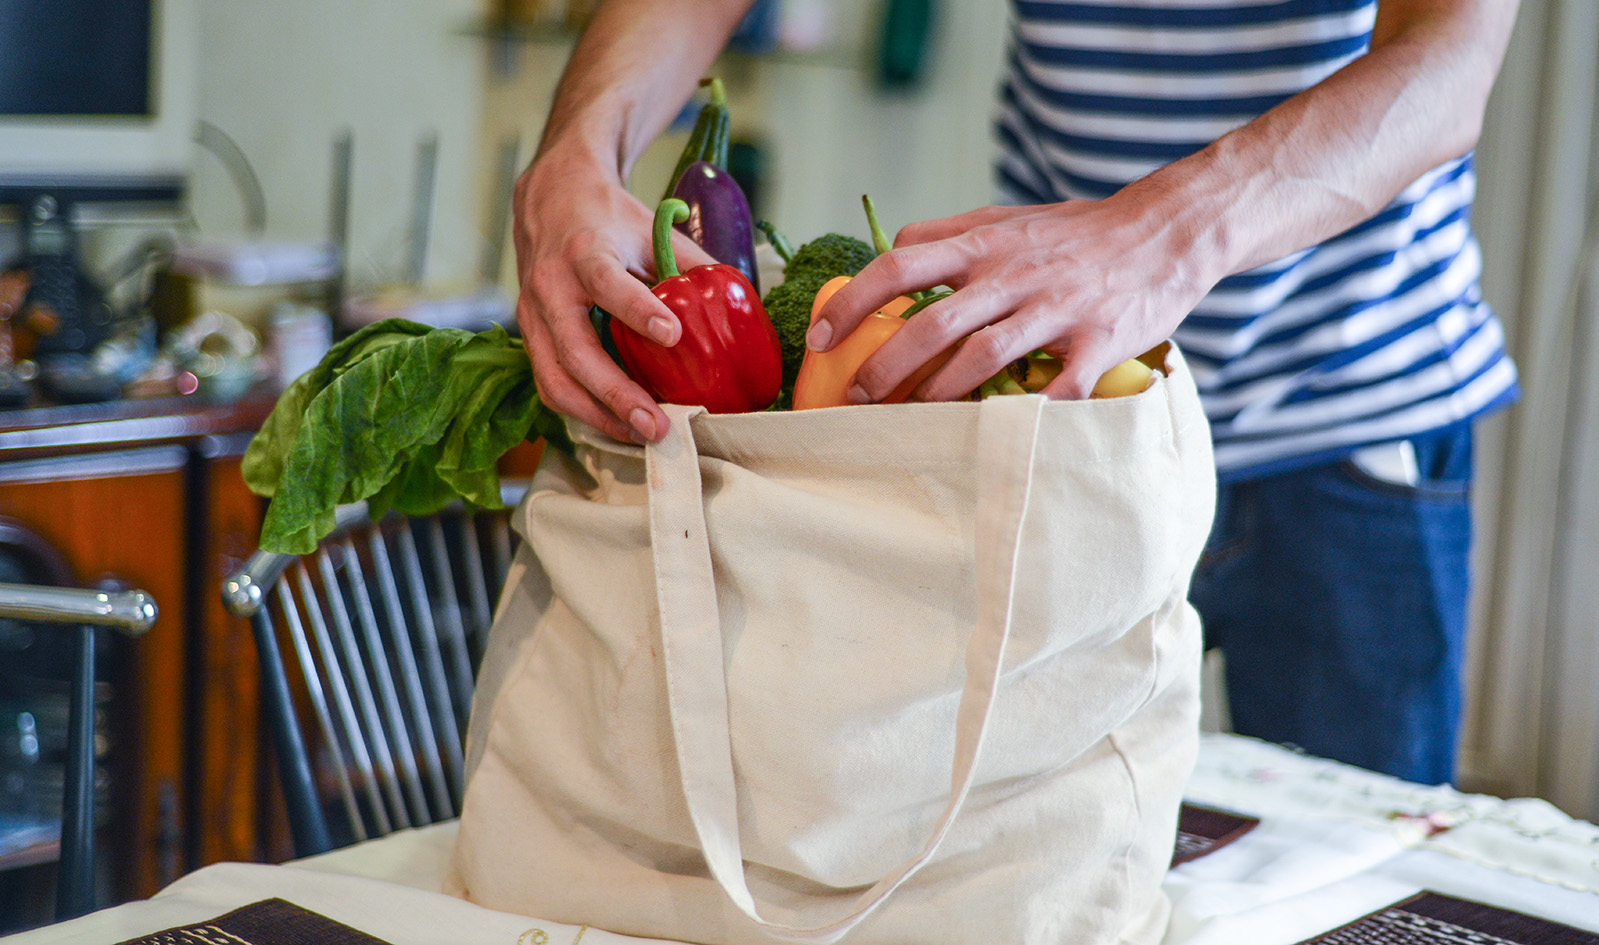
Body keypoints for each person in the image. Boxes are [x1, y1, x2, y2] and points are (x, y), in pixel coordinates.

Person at [511, 0, 1521, 786]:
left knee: (1352, 874)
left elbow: (1449, 60)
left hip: (1350, 411)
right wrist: (575, 152)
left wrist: (1155, 238)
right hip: (1041, 418)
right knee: (1016, 852)